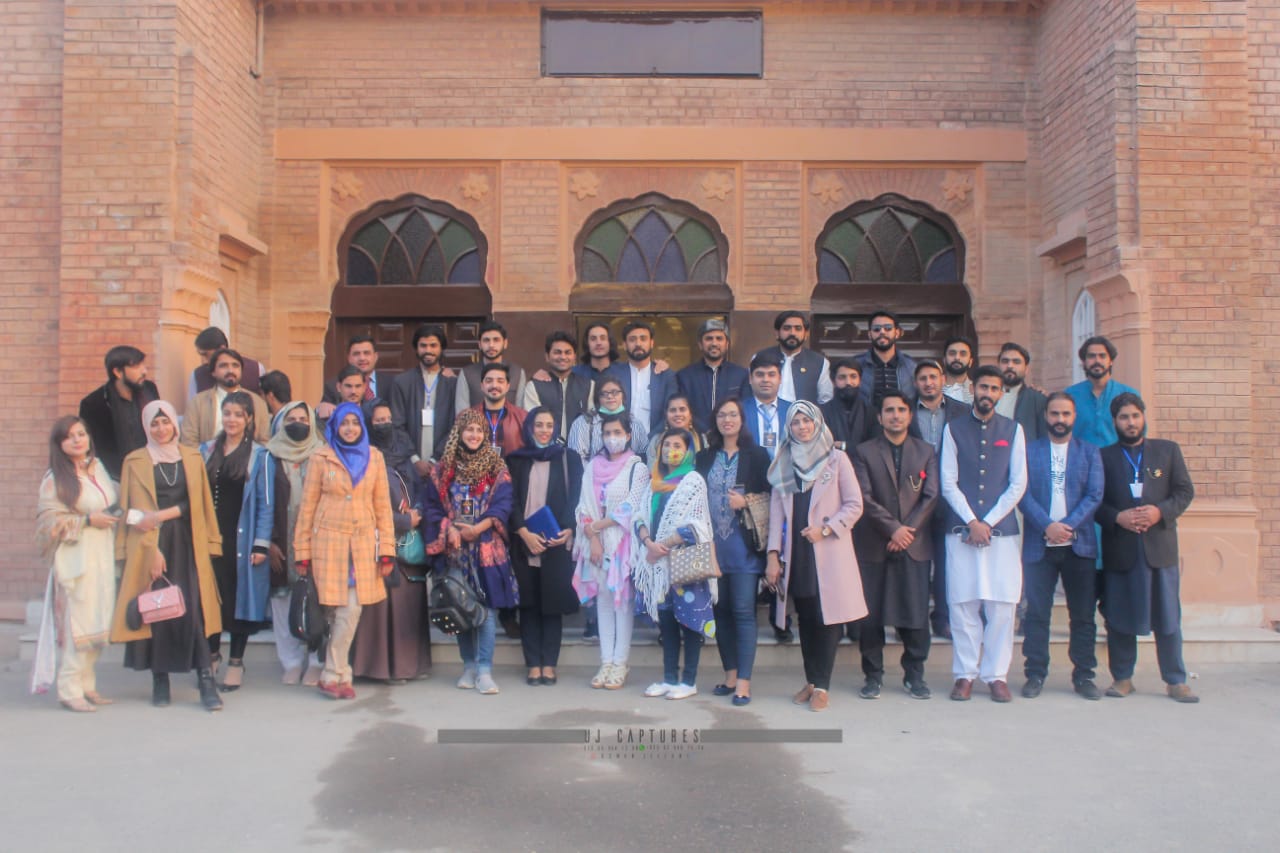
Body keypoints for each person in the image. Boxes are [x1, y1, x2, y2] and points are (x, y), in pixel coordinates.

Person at [110, 401, 224, 711]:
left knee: (193, 610)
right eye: (154, 424)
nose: (161, 429)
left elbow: (198, 503)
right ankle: (160, 680)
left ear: (175, 423)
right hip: (150, 546)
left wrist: (160, 515)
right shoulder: (135, 460)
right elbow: (127, 512)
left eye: (166, 422)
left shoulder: (191, 457)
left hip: (188, 543)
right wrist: (152, 548)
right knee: (156, 610)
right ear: (146, 427)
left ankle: (206, 681)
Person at [764, 402, 867, 712]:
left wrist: (826, 529)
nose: (802, 427)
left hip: (827, 550)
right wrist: (773, 555)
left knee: (827, 618)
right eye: (795, 423)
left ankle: (822, 685)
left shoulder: (837, 459)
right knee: (806, 617)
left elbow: (854, 504)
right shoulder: (783, 460)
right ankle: (811, 681)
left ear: (818, 423)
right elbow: (776, 514)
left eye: (807, 421)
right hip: (797, 553)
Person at [1096, 392, 1197, 703]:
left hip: (1159, 550)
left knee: (1168, 618)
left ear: (1143, 417)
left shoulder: (1167, 451)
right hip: (1121, 549)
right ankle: (1122, 678)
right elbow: (1094, 501)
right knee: (1119, 617)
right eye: (1124, 417)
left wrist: (1159, 512)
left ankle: (1175, 680)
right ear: (1115, 422)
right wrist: (1117, 517)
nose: (1130, 422)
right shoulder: (1103, 457)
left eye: (1135, 416)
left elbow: (1184, 492)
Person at [293, 402, 397, 700]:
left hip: (361, 547)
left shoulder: (374, 457)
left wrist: (387, 550)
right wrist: (302, 551)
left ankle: (332, 672)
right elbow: (307, 507)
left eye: (354, 423)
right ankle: (340, 673)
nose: (349, 428)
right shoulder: (320, 457)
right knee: (331, 610)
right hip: (327, 544)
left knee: (351, 609)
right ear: (334, 427)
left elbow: (383, 507)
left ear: (362, 426)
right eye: (343, 423)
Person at [940, 365, 1027, 703]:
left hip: (1001, 534)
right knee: (963, 605)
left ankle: (996, 675)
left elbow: (1018, 483)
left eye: (994, 388)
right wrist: (972, 521)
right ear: (973, 389)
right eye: (983, 387)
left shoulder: (1014, 430)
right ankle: (965, 674)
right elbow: (948, 482)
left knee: (1002, 607)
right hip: (961, 531)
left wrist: (987, 522)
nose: (987, 393)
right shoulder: (953, 429)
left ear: (1001, 393)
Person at [421, 409, 518, 696]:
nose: (474, 435)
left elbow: (503, 504)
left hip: (487, 551)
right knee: (459, 608)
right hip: (454, 551)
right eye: (469, 430)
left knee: (485, 613)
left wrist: (479, 528)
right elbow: (431, 507)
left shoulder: (496, 468)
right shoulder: (443, 469)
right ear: (458, 433)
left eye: (479, 430)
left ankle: (485, 670)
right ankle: (468, 667)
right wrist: (449, 528)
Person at [852, 392, 939, 700]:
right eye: (889, 410)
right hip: (874, 544)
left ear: (910, 416)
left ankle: (914, 675)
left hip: (914, 545)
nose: (896, 415)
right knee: (871, 617)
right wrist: (893, 529)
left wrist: (906, 532)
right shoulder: (863, 451)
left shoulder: (926, 451)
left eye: (901, 410)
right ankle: (872, 676)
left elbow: (931, 495)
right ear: (880, 417)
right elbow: (863, 497)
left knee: (915, 615)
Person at [1019, 392, 1105, 700]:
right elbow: (1021, 493)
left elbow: (1094, 495)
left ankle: (1084, 675)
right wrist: (1047, 525)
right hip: (1039, 545)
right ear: (1046, 416)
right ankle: (1035, 674)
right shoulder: (1030, 451)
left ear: (1074, 417)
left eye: (1065, 414)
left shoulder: (1089, 452)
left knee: (1082, 616)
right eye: (1054, 413)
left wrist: (1067, 526)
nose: (1060, 419)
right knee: (1036, 614)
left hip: (1078, 545)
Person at [32, 416, 120, 711]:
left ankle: (87, 684)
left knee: (98, 619)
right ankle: (69, 689)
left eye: (81, 434)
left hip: (102, 554)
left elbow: (110, 499)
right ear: (60, 444)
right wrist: (86, 521)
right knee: (77, 624)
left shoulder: (97, 468)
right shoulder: (55, 479)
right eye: (70, 436)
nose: (77, 440)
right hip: (75, 557)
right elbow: (47, 524)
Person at [351, 401, 433, 683]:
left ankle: (409, 666)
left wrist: (417, 513)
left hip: (410, 545)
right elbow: (363, 503)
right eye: (377, 420)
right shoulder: (364, 458)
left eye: (388, 419)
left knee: (407, 607)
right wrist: (401, 521)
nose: (384, 424)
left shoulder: (406, 456)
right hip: (378, 542)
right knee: (382, 608)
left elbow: (422, 488)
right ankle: (381, 669)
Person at [695, 397, 770, 706]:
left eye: (733, 414)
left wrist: (746, 501)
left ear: (742, 419)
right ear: (715, 420)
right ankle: (730, 675)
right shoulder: (703, 457)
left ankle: (744, 682)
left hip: (744, 547)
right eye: (722, 415)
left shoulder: (757, 455)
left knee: (742, 611)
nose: (727, 419)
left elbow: (772, 497)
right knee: (720, 612)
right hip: (713, 547)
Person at [198, 390, 274, 692]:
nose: (231, 420)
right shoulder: (206, 450)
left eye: (238, 415)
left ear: (249, 419)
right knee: (211, 599)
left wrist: (261, 543)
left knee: (239, 600)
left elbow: (266, 504)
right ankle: (211, 654)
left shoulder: (260, 455)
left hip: (241, 538)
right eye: (227, 413)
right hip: (210, 537)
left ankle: (236, 661)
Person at [633, 428, 714, 700]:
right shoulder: (654, 482)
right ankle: (669, 678)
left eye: (677, 445)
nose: (670, 450)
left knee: (690, 623)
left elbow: (697, 525)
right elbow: (639, 517)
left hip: (684, 564)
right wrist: (648, 543)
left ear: (688, 450)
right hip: (658, 567)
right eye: (666, 445)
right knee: (666, 624)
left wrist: (663, 545)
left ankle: (688, 681)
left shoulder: (693, 481)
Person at [573, 412, 650, 691]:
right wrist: (593, 537)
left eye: (617, 432)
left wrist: (598, 527)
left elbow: (631, 506)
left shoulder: (636, 467)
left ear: (628, 435)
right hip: (595, 544)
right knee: (604, 602)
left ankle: (620, 662)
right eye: (607, 433)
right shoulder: (593, 466)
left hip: (622, 544)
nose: (612, 438)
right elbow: (583, 505)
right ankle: (606, 662)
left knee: (622, 603)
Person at [507, 407, 583, 686]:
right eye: (538, 425)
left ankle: (549, 664)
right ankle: (533, 664)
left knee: (552, 605)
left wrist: (569, 528)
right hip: (524, 540)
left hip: (555, 541)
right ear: (529, 427)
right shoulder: (516, 460)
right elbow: (509, 499)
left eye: (549, 425)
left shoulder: (568, 458)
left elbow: (576, 496)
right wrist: (522, 532)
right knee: (528, 605)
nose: (544, 430)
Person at [263, 400, 326, 685]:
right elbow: (262, 502)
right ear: (280, 424)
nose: (297, 424)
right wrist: (268, 541)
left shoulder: (323, 454)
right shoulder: (269, 457)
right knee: (282, 600)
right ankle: (290, 661)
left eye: (303, 418)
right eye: (291, 419)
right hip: (280, 541)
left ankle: (315, 661)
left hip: (317, 541)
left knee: (316, 600)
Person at [908, 358, 971, 639]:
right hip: (913, 496)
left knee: (948, 562)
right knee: (916, 561)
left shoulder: (962, 412)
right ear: (915, 383)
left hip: (951, 496)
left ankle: (943, 618)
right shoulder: (905, 410)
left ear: (943, 380)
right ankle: (914, 619)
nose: (929, 383)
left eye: (933, 377)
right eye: (923, 378)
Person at [741, 351, 794, 643]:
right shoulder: (739, 409)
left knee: (782, 552)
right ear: (751, 379)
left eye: (771, 374)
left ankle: (781, 619)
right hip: (750, 491)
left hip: (785, 490)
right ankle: (746, 615)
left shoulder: (793, 410)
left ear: (780, 379)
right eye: (759, 375)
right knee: (753, 552)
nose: (765, 380)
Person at [79, 345, 160, 481]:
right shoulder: (94, 404)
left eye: (143, 365)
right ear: (118, 372)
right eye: (136, 366)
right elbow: (93, 449)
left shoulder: (149, 390)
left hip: (154, 471)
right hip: (116, 478)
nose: (144, 371)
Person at [390, 323, 458, 476]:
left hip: (444, 464)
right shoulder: (402, 382)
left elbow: (456, 426)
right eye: (423, 345)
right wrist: (415, 460)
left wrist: (435, 460)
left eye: (433, 345)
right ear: (416, 348)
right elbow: (397, 425)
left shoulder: (452, 383)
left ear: (441, 348)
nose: (428, 350)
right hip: (408, 464)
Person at [181, 348, 271, 447]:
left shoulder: (257, 403)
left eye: (235, 365)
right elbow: (188, 441)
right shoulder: (197, 403)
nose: (230, 370)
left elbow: (264, 441)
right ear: (213, 372)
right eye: (224, 366)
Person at [676, 318, 749, 433]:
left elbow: (745, 410)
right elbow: (682, 410)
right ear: (700, 344)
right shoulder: (685, 376)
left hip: (730, 437)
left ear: (727, 344)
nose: (714, 343)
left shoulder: (741, 375)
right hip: (696, 437)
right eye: (709, 339)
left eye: (719, 338)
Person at [1065, 335, 1139, 449]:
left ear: (1111, 361)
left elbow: (1139, 434)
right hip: (1080, 458)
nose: (1097, 361)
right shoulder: (1069, 396)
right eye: (1091, 356)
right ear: (1084, 362)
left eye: (1102, 356)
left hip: (1118, 458)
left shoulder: (1128, 394)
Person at [606, 320, 678, 435]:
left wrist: (653, 439)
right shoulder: (613, 374)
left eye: (643, 339)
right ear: (624, 345)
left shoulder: (665, 376)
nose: (638, 343)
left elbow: (671, 411)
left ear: (651, 343)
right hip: (619, 440)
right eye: (632, 339)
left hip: (655, 440)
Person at [522, 331, 593, 440]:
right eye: (557, 352)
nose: (563, 357)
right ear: (547, 356)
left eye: (567, 352)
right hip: (545, 448)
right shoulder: (534, 387)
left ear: (574, 357)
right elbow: (532, 424)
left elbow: (592, 423)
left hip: (579, 448)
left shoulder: (588, 386)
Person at [755, 310, 832, 405]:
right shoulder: (760, 357)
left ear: (806, 334)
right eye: (787, 328)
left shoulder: (819, 362)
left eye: (798, 328)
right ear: (777, 333)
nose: (792, 333)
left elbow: (825, 400)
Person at [568, 375, 649, 462]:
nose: (610, 396)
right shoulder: (582, 423)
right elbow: (576, 460)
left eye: (615, 392)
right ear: (597, 398)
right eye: (604, 394)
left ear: (623, 395)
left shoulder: (635, 424)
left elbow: (644, 456)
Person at [455, 320, 528, 412]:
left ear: (505, 343)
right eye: (486, 340)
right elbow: (462, 414)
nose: (491, 345)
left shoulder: (517, 372)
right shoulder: (467, 374)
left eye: (496, 340)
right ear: (479, 344)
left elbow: (521, 413)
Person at [318, 334, 393, 421]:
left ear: (375, 356)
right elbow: (323, 414)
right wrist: (319, 409)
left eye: (366, 353)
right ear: (349, 358)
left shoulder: (391, 383)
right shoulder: (332, 386)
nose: (362, 358)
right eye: (356, 354)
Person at [853, 309, 917, 406]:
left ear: (897, 333)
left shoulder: (911, 366)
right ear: (869, 334)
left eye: (888, 328)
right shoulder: (856, 365)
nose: (882, 332)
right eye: (876, 329)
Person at [187, 326, 265, 400]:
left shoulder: (256, 369)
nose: (203, 361)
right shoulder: (197, 376)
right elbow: (193, 406)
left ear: (221, 349)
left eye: (205, 354)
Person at [821, 356, 876, 462]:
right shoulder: (822, 413)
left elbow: (874, 447)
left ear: (860, 380)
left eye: (853, 377)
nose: (848, 382)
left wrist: (844, 446)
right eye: (842, 377)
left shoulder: (871, 412)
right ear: (833, 382)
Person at [470, 363, 527, 457]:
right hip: (476, 466)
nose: (494, 385)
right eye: (489, 381)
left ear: (507, 386)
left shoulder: (523, 417)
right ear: (482, 386)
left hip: (511, 466)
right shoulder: (467, 417)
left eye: (500, 381)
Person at [995, 342, 1048, 443]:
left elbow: (1043, 439)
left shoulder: (1037, 400)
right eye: (1005, 361)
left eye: (1016, 362)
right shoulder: (986, 397)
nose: (1010, 366)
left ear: (1026, 369)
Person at [645, 394, 706, 461]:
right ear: (666, 415)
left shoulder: (703, 441)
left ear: (690, 414)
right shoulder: (656, 441)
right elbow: (652, 466)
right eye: (673, 410)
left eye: (682, 409)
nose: (678, 414)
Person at [941, 335, 975, 404]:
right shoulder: (932, 388)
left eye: (963, 354)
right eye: (952, 353)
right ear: (944, 360)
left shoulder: (977, 391)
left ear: (970, 362)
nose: (957, 358)